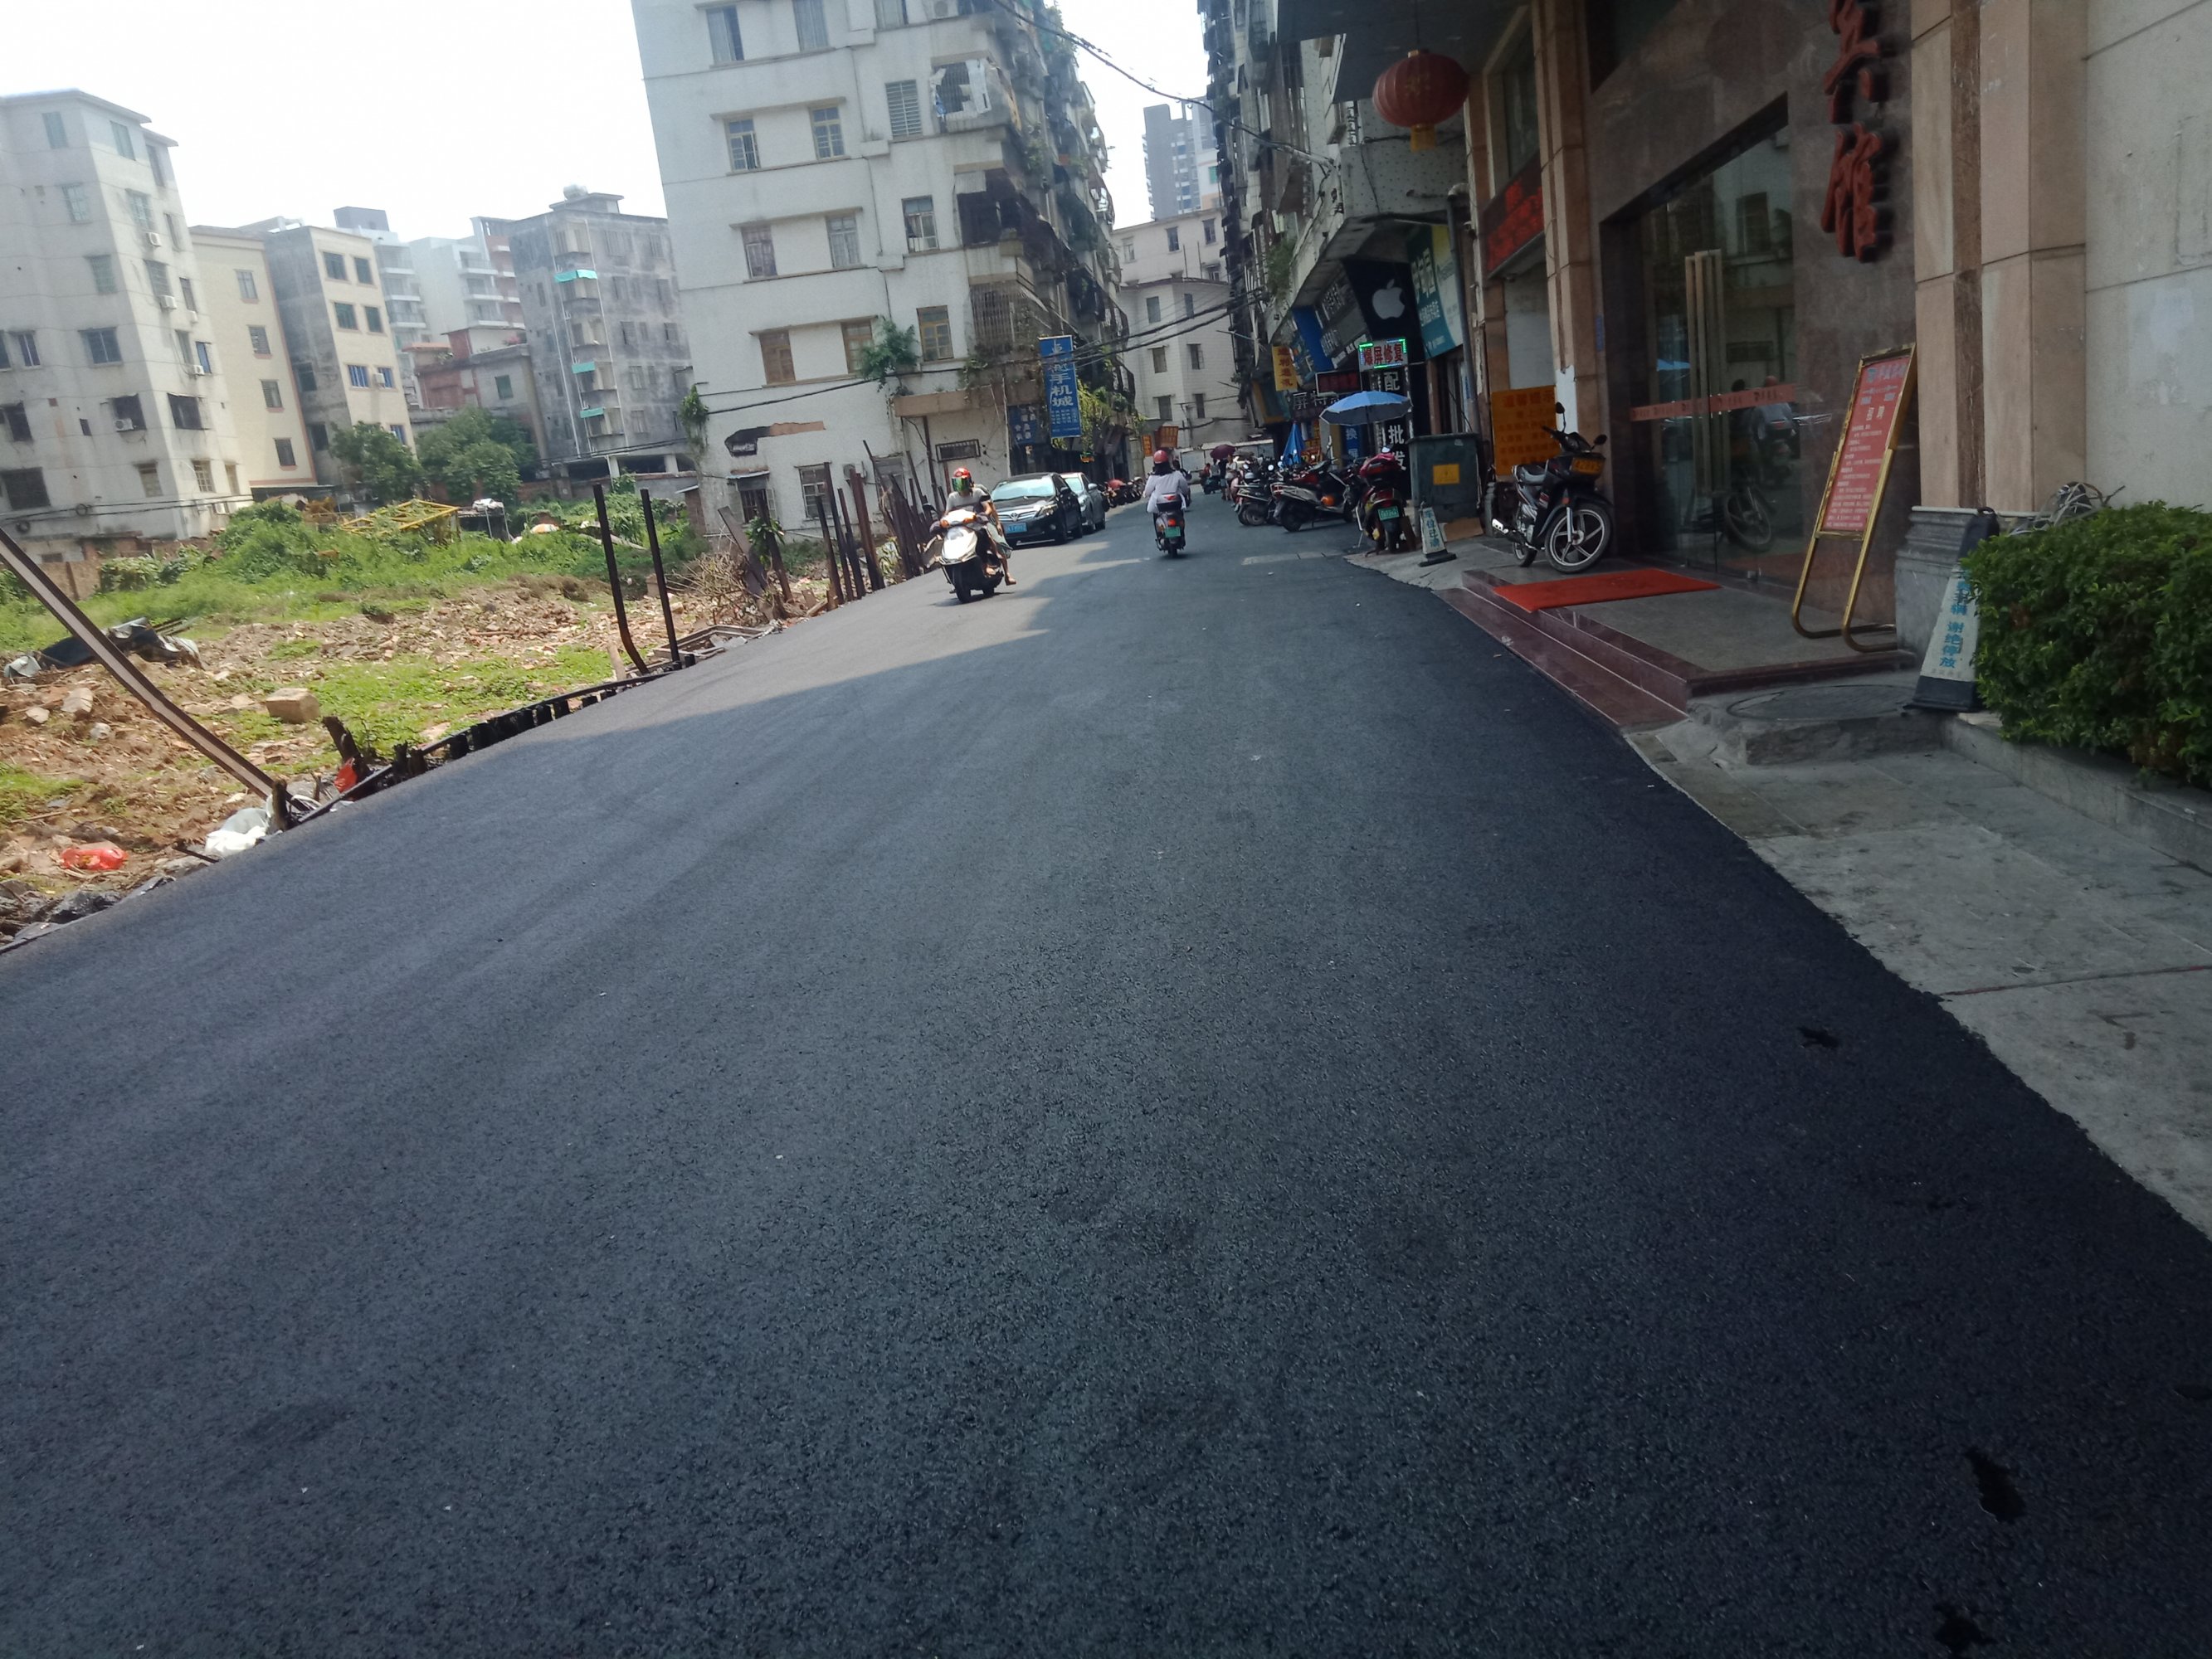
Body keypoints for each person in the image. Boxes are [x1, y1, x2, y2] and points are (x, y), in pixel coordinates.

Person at [943, 465, 1012, 585]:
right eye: (957, 483)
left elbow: (989, 508)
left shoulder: (978, 493)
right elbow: (947, 513)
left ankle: (1005, 573)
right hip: (960, 528)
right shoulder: (952, 497)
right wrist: (943, 521)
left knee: (993, 541)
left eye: (962, 482)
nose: (960, 486)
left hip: (978, 525)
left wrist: (984, 516)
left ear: (969, 481)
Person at [1141, 449, 1190, 525]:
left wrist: (1145, 494)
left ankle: (1159, 531)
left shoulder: (1153, 477)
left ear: (1155, 464)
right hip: (1175, 505)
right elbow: (1185, 489)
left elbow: (1147, 492)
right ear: (1167, 462)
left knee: (1156, 515)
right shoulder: (1177, 474)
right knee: (1180, 515)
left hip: (1159, 507)